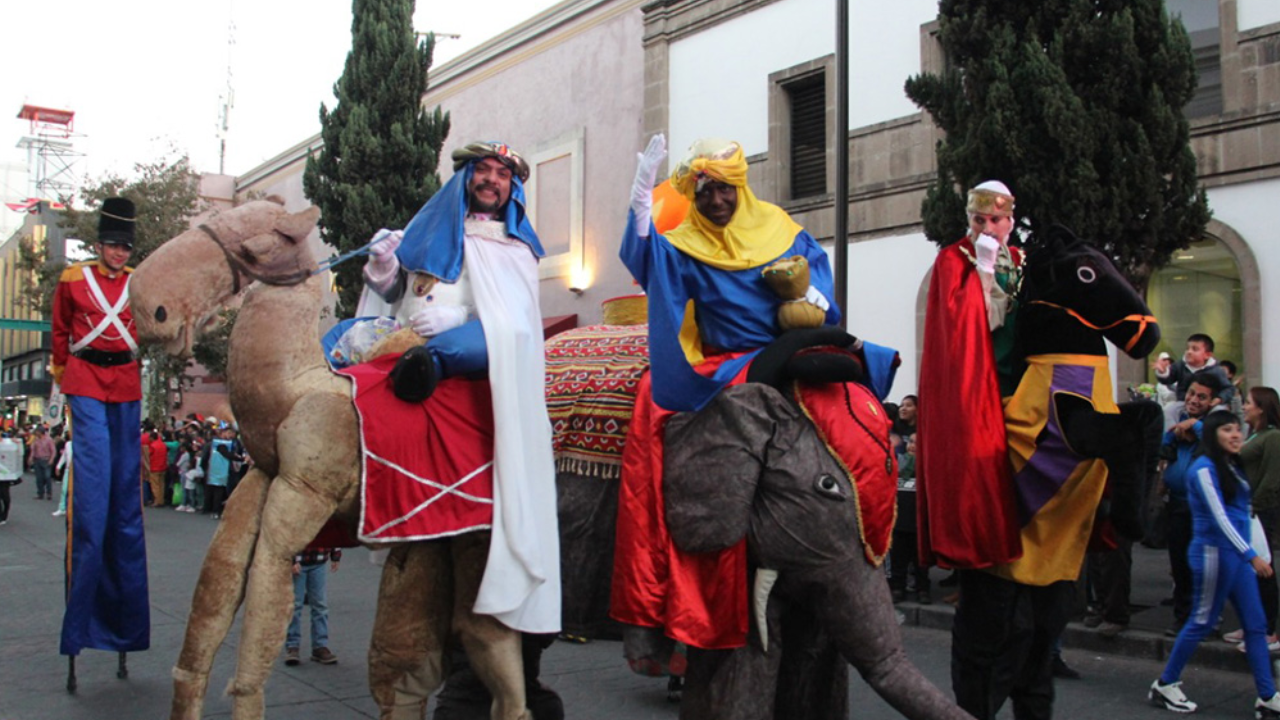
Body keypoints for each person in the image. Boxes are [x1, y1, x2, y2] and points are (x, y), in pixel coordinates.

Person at [50, 197, 149, 661]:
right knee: (94, 495)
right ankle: (81, 624)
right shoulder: (74, 278)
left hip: (126, 383)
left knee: (126, 499)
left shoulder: (139, 282)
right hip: (86, 380)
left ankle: (125, 627)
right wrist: (60, 376)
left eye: (124, 246)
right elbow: (59, 331)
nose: (118, 253)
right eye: (112, 245)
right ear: (98, 244)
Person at [1149, 411, 1280, 717]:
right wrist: (1252, 556)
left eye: (1237, 428)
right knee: (1202, 621)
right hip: (1213, 556)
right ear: (1212, 435)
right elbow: (1220, 518)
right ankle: (1165, 683)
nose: (1236, 434)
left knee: (1256, 625)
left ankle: (1268, 695)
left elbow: (1241, 514)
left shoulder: (1231, 467)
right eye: (1227, 430)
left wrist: (1249, 553)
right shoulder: (1203, 469)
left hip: (1235, 557)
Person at [1161, 372, 1229, 637]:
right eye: (1191, 394)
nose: (1194, 400)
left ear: (1212, 401)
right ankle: (1182, 617)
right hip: (1177, 505)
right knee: (1179, 564)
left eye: (1202, 397)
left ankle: (1209, 620)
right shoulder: (1178, 422)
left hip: (1203, 510)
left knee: (1204, 568)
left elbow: (1217, 445)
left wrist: (1196, 427)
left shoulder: (1216, 424)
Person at [1224, 386, 1280, 650]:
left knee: (1263, 568)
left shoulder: (1272, 437)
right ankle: (1252, 624)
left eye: (1248, 402)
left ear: (1262, 408)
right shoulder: (1254, 435)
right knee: (1249, 568)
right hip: (1248, 509)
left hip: (1261, 512)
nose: (1244, 407)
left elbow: (1271, 478)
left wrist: (1253, 506)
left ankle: (1268, 628)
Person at [283, 542, 341, 666]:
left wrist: (335, 555)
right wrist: (291, 559)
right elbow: (288, 533)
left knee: (320, 605)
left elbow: (333, 531)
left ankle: (320, 646)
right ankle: (292, 646)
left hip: (319, 561)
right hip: (299, 561)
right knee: (295, 605)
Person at [1153, 333, 1233, 405]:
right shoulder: (1180, 365)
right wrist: (1163, 372)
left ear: (1208, 355)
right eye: (1187, 348)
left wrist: (1219, 399)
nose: (1189, 352)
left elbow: (1228, 388)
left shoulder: (1216, 370)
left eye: (1195, 349)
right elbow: (1168, 380)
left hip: (1208, 406)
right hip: (1183, 403)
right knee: (1170, 410)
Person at [28, 425, 56, 501]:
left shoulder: (49, 440)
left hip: (46, 459)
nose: (36, 433)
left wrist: (51, 459)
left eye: (37, 432)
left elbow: (53, 451)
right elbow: (33, 450)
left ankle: (49, 493)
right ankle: (40, 493)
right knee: (39, 478)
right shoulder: (36, 440)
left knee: (47, 477)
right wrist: (31, 458)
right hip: (37, 460)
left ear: (40, 432)